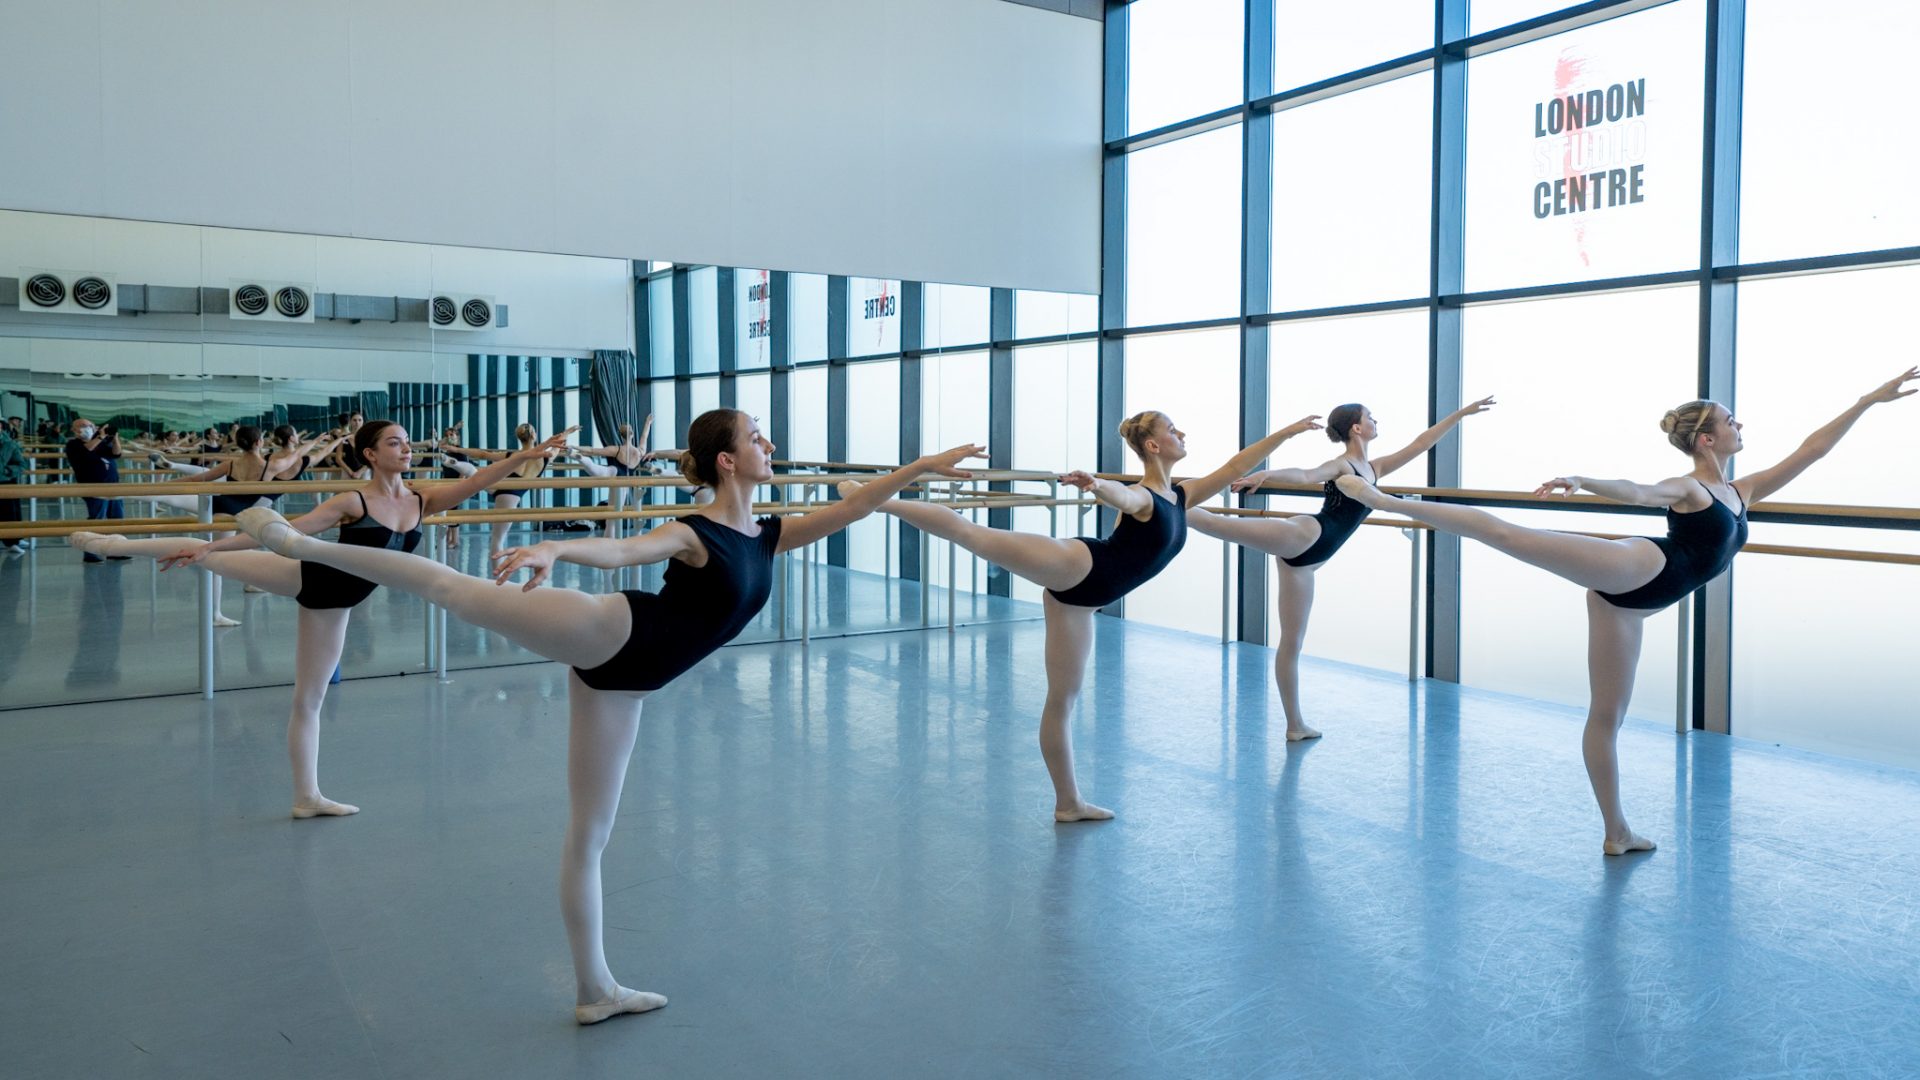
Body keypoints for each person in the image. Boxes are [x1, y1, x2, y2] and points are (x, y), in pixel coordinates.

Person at [221, 408, 981, 1023]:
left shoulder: (772, 532)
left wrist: (920, 469)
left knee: (590, 835)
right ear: (725, 459)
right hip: (618, 632)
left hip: (627, 687)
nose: (768, 444)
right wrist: (558, 549)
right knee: (454, 590)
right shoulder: (696, 530)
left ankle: (594, 989)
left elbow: (853, 505)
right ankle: (290, 541)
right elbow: (626, 551)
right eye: (755, 436)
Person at [1333, 368, 1919, 855]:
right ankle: (1386, 500)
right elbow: (1638, 492)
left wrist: (1867, 401)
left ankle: (1616, 833)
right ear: (1706, 441)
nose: (1739, 425)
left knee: (1607, 716)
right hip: (1641, 570)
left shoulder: (1745, 492)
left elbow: (1812, 451)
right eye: (1729, 421)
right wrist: (1582, 479)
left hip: (1631, 609)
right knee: (1513, 536)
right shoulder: (1690, 488)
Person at [71, 419, 569, 820]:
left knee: (310, 698)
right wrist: (222, 542)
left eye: (407, 443)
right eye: (394, 443)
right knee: (207, 556)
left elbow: (478, 480)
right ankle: (114, 543)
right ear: (370, 454)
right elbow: (290, 532)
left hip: (338, 604)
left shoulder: (421, 498)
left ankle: (306, 796)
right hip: (310, 579)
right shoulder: (351, 501)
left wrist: (525, 457)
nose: (405, 449)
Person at [855, 410, 1324, 821]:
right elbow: (1122, 499)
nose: (1183, 433)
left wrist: (1285, 432)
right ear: (1154, 445)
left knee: (1063, 699)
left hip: (1081, 602)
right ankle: (868, 498)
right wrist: (1098, 485)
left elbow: (1237, 465)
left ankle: (1068, 804)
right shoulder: (1144, 495)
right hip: (1080, 565)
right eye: (1172, 429)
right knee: (971, 533)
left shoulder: (1183, 495)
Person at [1185, 396, 1495, 741]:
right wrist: (1270, 473)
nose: (1377, 422)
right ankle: (1164, 504)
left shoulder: (1375, 468)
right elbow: (1305, 475)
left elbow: (1421, 443)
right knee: (1214, 525)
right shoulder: (1341, 465)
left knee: (1292, 643)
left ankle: (1295, 725)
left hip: (1306, 565)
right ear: (1356, 428)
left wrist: (1461, 414)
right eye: (1371, 417)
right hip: (1305, 535)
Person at [65, 418, 127, 563]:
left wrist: (114, 437)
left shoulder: (101, 442)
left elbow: (116, 454)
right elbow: (88, 450)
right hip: (92, 487)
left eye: (89, 426)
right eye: (81, 426)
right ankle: (91, 552)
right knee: (97, 519)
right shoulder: (73, 445)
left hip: (113, 486)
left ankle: (116, 551)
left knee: (117, 519)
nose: (86, 428)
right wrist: (100, 436)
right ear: (74, 430)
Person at [0, 421, 27, 553]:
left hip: (5, 482)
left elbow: (21, 464)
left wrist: (6, 471)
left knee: (10, 511)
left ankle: (13, 540)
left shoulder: (9, 444)